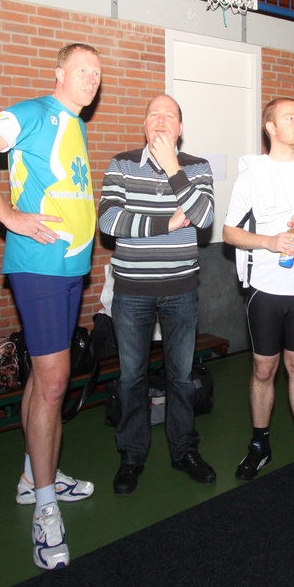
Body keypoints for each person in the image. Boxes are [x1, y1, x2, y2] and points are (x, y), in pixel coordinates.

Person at [0, 42, 101, 570]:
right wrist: (10, 217)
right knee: (55, 382)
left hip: (69, 269)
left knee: (44, 375)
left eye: (97, 73)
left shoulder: (74, 125)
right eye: (82, 69)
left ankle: (34, 476)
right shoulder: (35, 112)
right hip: (38, 267)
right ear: (58, 73)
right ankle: (45, 506)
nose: (91, 78)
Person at [98, 94, 217, 495]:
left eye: (170, 115)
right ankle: (132, 457)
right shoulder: (122, 164)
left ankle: (184, 451)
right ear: (144, 124)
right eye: (154, 114)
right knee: (131, 379)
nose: (161, 120)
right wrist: (168, 224)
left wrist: (172, 168)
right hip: (132, 292)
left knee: (181, 378)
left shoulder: (196, 167)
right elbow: (109, 221)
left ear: (180, 128)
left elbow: (203, 217)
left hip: (181, 291)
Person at [223, 98, 294, 487]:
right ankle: (260, 445)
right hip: (265, 291)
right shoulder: (252, 175)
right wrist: (269, 242)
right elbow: (229, 232)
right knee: (263, 369)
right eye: (291, 118)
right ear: (271, 127)